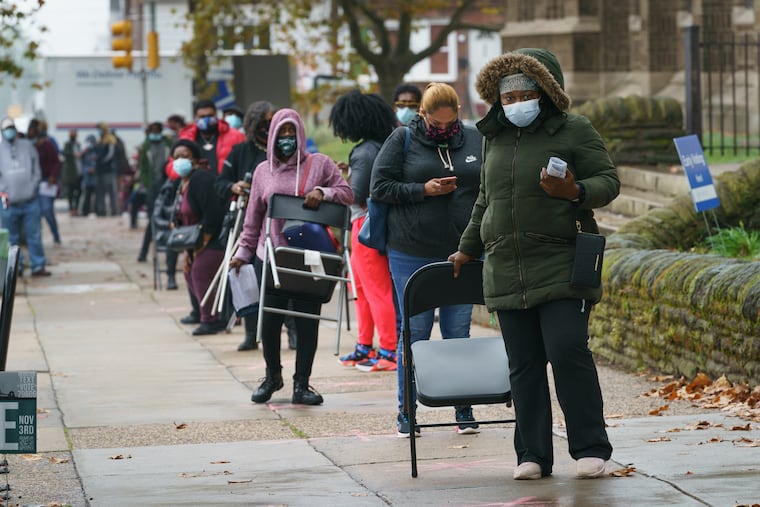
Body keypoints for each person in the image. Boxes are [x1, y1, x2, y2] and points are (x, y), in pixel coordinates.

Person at [448, 48, 619, 480]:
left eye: (525, 93)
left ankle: (590, 447)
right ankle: (532, 454)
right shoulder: (493, 138)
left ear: (545, 91)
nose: (516, 102)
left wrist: (573, 191)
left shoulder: (574, 129)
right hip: (506, 265)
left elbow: (609, 182)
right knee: (522, 366)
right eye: (507, 97)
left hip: (561, 258)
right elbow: (485, 200)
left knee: (567, 352)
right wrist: (468, 247)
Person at [370, 82, 483, 436]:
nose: (443, 131)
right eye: (436, 125)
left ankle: (462, 407)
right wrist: (423, 190)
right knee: (415, 332)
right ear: (423, 115)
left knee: (458, 332)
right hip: (411, 249)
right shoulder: (401, 140)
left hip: (460, 250)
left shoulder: (473, 139)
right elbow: (380, 187)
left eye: (450, 124)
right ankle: (407, 411)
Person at [229, 108, 353, 406]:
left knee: (306, 320)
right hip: (270, 256)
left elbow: (347, 193)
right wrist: (242, 253)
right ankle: (273, 376)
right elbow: (252, 219)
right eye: (281, 134)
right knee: (269, 320)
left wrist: (324, 191)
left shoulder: (319, 164)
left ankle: (302, 384)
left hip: (307, 257)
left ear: (299, 134)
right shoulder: (262, 171)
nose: (287, 139)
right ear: (272, 136)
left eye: (291, 133)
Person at [329, 89, 398, 372]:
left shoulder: (362, 151)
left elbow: (355, 194)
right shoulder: (384, 144)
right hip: (377, 223)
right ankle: (365, 345)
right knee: (362, 288)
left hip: (364, 225)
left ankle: (388, 350)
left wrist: (334, 185)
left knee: (373, 290)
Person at [215, 100, 278, 351]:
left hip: (277, 222)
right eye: (263, 123)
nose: (268, 127)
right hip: (248, 221)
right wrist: (234, 186)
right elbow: (220, 183)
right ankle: (251, 332)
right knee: (248, 275)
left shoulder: (283, 150)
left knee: (280, 278)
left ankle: (292, 330)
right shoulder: (240, 152)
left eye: (272, 122)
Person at [170, 139, 228, 336]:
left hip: (214, 239)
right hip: (195, 242)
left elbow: (212, 215)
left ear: (194, 159)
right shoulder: (181, 184)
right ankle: (204, 312)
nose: (180, 160)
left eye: (184, 156)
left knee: (200, 270)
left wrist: (199, 248)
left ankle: (211, 320)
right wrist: (190, 252)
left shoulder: (201, 179)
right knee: (188, 271)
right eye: (176, 157)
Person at [0, 117, 51, 277]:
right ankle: (16, 267)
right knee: (11, 237)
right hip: (8, 201)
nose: (9, 131)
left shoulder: (27, 146)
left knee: (34, 234)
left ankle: (38, 264)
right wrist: (3, 191)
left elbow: (37, 169)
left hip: (29, 199)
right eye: (6, 128)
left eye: (11, 128)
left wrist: (33, 186)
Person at [166, 100, 245, 178]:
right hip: (197, 187)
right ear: (195, 118)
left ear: (216, 115)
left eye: (210, 115)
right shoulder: (185, 138)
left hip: (225, 187)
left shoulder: (236, 136)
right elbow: (172, 170)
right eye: (202, 117)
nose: (207, 119)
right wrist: (188, 168)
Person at [136, 122, 174, 272]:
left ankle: (169, 256)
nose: (155, 133)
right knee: (153, 219)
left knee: (170, 220)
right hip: (152, 187)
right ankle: (144, 252)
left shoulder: (168, 144)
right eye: (152, 131)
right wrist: (146, 184)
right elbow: (143, 168)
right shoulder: (145, 146)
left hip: (167, 185)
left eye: (157, 131)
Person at [27, 119, 62, 245]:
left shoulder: (48, 144)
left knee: (47, 210)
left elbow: (56, 161)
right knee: (34, 214)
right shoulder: (27, 146)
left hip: (46, 182)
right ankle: (36, 239)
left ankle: (56, 235)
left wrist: (53, 176)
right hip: (32, 184)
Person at [93, 122, 120, 217]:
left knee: (112, 191)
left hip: (108, 170)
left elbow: (110, 155)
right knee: (100, 192)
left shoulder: (110, 140)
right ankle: (101, 210)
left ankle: (114, 210)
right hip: (99, 170)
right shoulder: (99, 140)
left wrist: (101, 160)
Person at [61, 129, 83, 217]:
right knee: (70, 193)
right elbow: (64, 153)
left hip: (78, 173)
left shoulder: (78, 144)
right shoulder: (67, 144)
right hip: (70, 174)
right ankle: (71, 209)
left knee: (78, 192)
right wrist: (73, 154)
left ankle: (76, 208)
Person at [79, 134, 98, 217]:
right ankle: (85, 211)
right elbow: (82, 164)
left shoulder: (97, 151)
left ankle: (97, 211)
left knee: (96, 196)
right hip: (87, 178)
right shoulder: (85, 153)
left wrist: (95, 169)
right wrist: (87, 170)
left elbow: (99, 163)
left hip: (95, 178)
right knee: (86, 195)